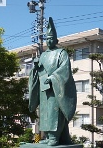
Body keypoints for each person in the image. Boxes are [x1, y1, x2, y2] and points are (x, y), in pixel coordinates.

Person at [28, 17, 77, 146]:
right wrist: (36, 68)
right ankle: (52, 136)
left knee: (55, 112)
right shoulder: (43, 55)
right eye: (47, 39)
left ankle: (55, 137)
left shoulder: (61, 53)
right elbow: (37, 72)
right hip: (44, 90)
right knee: (45, 113)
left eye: (51, 39)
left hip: (56, 88)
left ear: (56, 40)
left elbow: (65, 69)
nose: (49, 41)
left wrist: (53, 77)